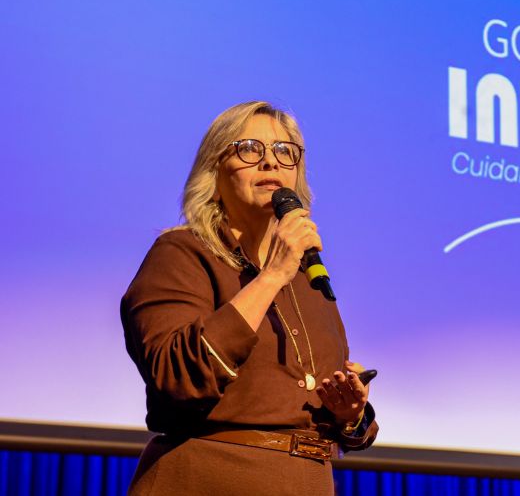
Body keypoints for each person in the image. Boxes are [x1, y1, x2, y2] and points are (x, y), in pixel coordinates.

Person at [121, 101, 378, 495]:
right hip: (209, 478)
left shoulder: (307, 275)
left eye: (284, 152)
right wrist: (272, 276)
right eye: (249, 149)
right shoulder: (181, 253)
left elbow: (338, 424)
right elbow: (175, 375)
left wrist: (350, 413)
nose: (270, 163)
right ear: (214, 169)